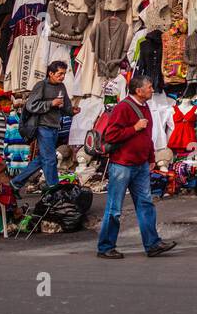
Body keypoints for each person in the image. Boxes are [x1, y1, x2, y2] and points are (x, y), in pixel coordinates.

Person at [96, 73, 176, 259]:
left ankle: (153, 244)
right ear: (138, 90)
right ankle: (105, 247)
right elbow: (111, 136)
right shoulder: (123, 108)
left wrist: (150, 157)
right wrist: (134, 128)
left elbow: (147, 136)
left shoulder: (146, 106)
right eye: (149, 87)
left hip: (140, 164)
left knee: (146, 205)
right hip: (122, 165)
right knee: (114, 208)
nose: (152, 89)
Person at [12, 60, 80, 194]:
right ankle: (53, 188)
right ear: (51, 73)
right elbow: (31, 105)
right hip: (43, 127)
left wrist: (72, 111)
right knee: (49, 159)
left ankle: (15, 183)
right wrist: (51, 103)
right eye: (59, 74)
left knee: (44, 159)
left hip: (55, 127)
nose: (62, 77)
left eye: (64, 74)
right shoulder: (41, 85)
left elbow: (65, 107)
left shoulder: (61, 87)